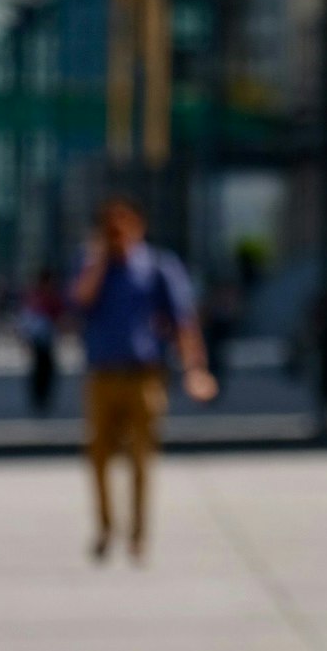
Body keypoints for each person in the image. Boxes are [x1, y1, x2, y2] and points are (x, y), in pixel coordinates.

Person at [71, 197, 217, 564]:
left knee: (141, 458)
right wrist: (101, 260)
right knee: (99, 456)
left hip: (144, 375)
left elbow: (183, 320)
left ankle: (138, 534)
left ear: (138, 226)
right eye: (110, 228)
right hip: (102, 375)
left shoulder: (157, 267)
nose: (117, 235)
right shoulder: (93, 265)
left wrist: (195, 368)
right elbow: (79, 301)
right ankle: (106, 527)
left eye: (123, 227)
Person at [19, 267, 64, 416]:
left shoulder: (51, 297)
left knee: (48, 369)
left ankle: (44, 397)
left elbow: (59, 317)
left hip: (48, 340)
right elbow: (27, 319)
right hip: (38, 340)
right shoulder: (36, 297)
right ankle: (38, 398)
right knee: (38, 369)